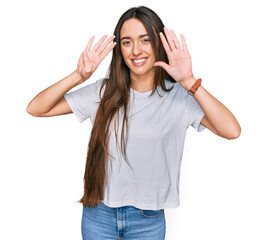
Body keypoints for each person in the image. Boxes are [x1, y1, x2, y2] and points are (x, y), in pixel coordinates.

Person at [26, 5, 241, 240]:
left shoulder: (179, 96)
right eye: (127, 42)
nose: (136, 50)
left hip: (147, 222)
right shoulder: (102, 92)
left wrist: (189, 81)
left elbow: (231, 130)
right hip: (99, 216)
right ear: (120, 49)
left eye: (145, 40)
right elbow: (36, 108)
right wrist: (79, 76)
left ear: (159, 44)